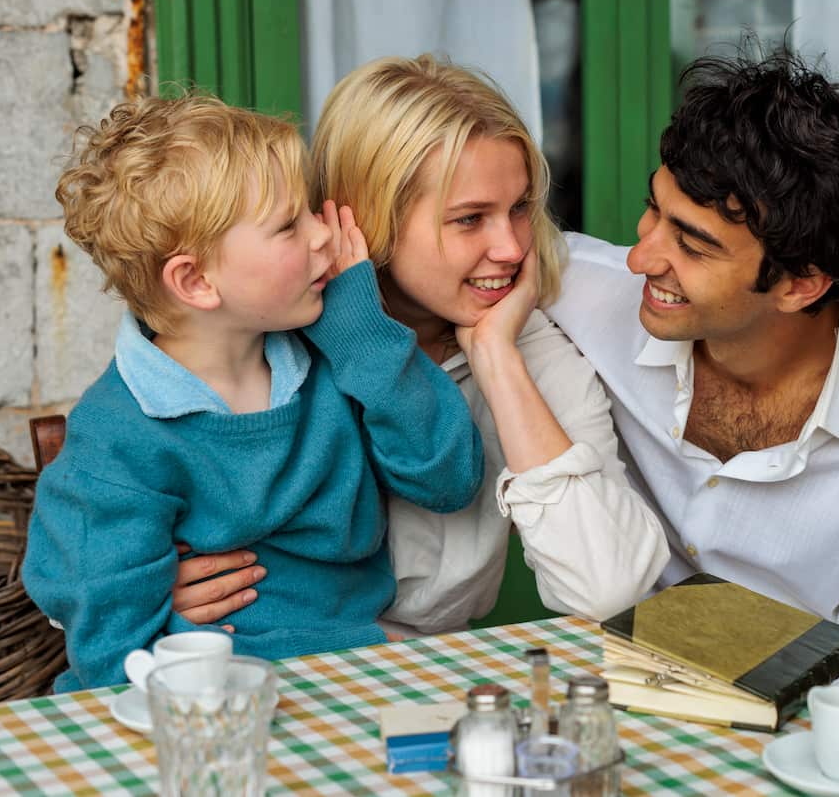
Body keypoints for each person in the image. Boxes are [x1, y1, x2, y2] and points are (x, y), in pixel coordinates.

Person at [171, 56, 670, 634]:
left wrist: (494, 356)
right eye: (469, 219)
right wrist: (156, 585)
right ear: (369, 215)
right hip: (265, 659)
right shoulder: (272, 330)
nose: (510, 248)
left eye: (519, 209)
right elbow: (119, 490)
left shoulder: (523, 339)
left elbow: (609, 588)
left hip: (419, 675)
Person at [544, 47, 839, 685]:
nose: (641, 258)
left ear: (801, 286)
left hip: (796, 728)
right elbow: (437, 247)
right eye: (654, 211)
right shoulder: (580, 287)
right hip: (606, 685)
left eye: (692, 244)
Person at [21, 93, 484, 691]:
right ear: (195, 280)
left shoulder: (335, 357)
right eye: (290, 225)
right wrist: (174, 628)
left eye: (311, 210)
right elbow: (112, 657)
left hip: (348, 666)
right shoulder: (117, 439)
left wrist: (362, 335)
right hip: (199, 690)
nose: (326, 235)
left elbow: (449, 480)